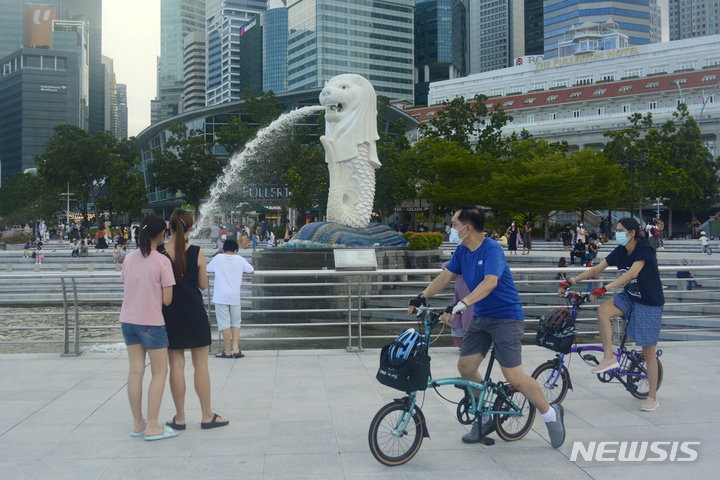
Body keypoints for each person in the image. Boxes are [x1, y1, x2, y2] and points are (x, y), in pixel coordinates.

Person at [409, 205, 565, 447]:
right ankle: (485, 416)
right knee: (466, 367)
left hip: (506, 317)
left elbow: (490, 283)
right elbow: (445, 275)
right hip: (481, 317)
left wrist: (461, 304)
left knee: (513, 376)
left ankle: (550, 414)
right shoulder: (462, 250)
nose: (450, 229)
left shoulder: (492, 249)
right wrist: (422, 295)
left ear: (467, 227)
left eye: (453, 225)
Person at [559, 217, 664, 411]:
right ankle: (609, 357)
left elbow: (632, 274)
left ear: (632, 233)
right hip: (631, 296)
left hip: (649, 302)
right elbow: (597, 268)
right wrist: (571, 281)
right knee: (603, 310)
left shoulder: (644, 249)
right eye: (617, 230)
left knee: (648, 352)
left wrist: (604, 289)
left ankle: (653, 396)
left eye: (621, 230)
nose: (617, 233)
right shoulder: (620, 251)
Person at [158, 209, 229, 432]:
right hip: (194, 311)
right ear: (190, 228)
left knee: (176, 365)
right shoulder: (197, 252)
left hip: (168, 312)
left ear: (169, 227)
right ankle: (207, 415)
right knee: (201, 366)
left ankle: (180, 418)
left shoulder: (159, 252)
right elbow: (203, 285)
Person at [119, 214, 177, 441]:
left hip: (128, 321)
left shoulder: (129, 258)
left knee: (135, 371)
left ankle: (138, 424)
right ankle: (153, 426)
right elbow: (167, 300)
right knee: (159, 372)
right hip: (151, 323)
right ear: (162, 234)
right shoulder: (162, 261)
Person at [206, 239, 255, 358]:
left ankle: (227, 351)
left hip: (220, 296)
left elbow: (208, 269)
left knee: (224, 323)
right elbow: (251, 270)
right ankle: (236, 349)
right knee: (236, 322)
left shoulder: (218, 258)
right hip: (234, 296)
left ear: (223, 250)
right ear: (236, 250)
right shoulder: (239, 259)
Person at [441, 261, 473, 350]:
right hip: (461, 290)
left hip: (469, 291)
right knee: (459, 317)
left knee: (468, 316)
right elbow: (446, 266)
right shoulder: (461, 260)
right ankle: (465, 346)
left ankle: (469, 345)